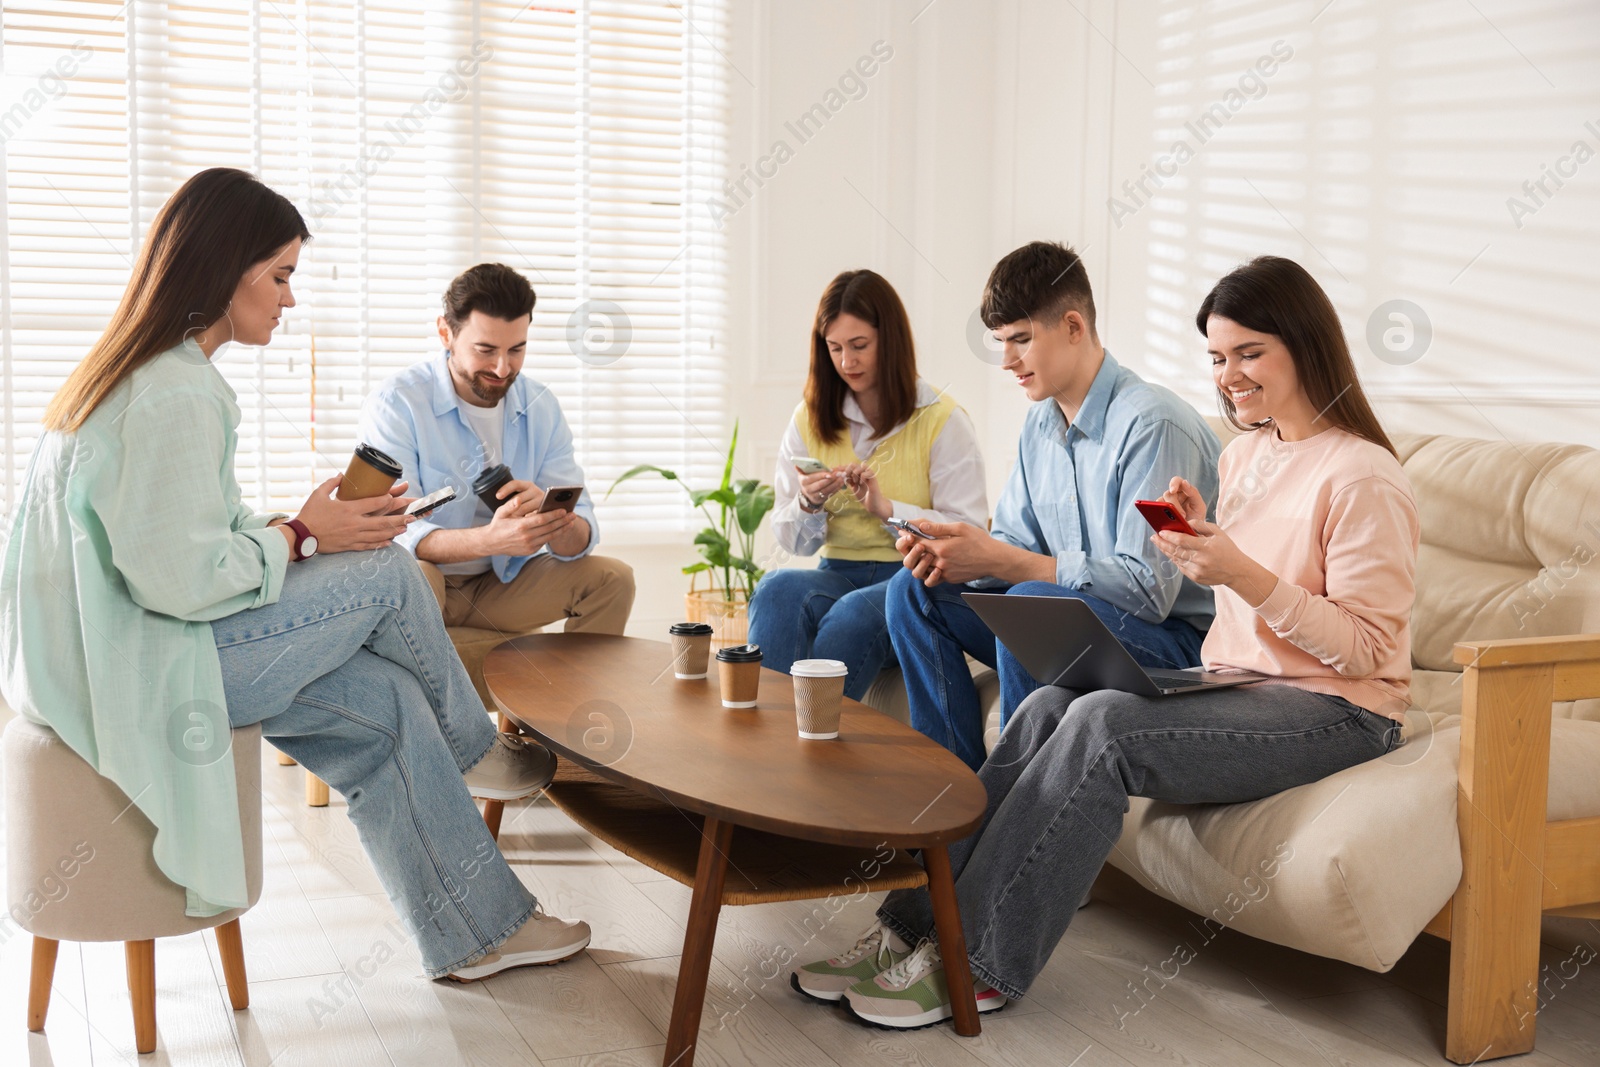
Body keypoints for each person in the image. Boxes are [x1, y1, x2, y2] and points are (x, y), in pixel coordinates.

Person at [791, 255, 1417, 1030]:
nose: (1230, 376)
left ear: (1305, 344)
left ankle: (977, 962)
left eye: (1250, 353)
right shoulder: (1249, 453)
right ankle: (908, 928)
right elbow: (1235, 595)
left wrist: (1239, 571)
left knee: (1099, 723)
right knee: (1051, 703)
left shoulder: (1363, 475)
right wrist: (1201, 541)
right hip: (1239, 680)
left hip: (1342, 709)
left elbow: (1362, 648)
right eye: (1219, 358)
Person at [0, 168, 588, 983]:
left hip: (120, 655)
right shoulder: (174, 392)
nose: (289, 299)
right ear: (222, 266)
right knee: (385, 569)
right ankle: (475, 747)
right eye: (279, 276)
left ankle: (479, 932)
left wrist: (298, 529)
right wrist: (309, 535)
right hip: (143, 667)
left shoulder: (146, 372)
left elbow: (178, 542)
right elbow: (181, 583)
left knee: (382, 704)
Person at [885, 241, 1221, 771]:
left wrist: (1006, 563)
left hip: (1177, 644)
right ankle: (953, 795)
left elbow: (1149, 592)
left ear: (1072, 327)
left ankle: (1011, 820)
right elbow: (1018, 545)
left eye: (1020, 339)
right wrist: (962, 555)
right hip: (1081, 622)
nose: (1006, 361)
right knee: (914, 591)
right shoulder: (1040, 424)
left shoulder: (1151, 425)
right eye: (1000, 342)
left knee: (1035, 601)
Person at [358, 263, 635, 637]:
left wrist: (551, 520)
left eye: (516, 349)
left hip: (499, 584)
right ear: (446, 333)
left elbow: (580, 539)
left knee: (613, 578)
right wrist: (489, 539)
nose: (503, 368)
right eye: (485, 350)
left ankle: (577, 697)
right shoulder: (398, 402)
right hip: (427, 578)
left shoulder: (540, 405)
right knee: (417, 576)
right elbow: (395, 530)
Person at [748, 270, 987, 699]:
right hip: (838, 571)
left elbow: (969, 533)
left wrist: (887, 510)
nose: (846, 362)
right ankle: (773, 746)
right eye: (834, 348)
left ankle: (807, 741)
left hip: (913, 582)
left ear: (890, 340)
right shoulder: (809, 417)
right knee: (776, 590)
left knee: (852, 615)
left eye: (859, 346)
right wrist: (807, 503)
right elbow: (793, 542)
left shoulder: (942, 419)